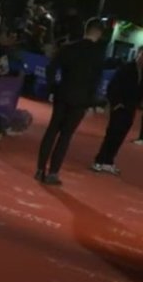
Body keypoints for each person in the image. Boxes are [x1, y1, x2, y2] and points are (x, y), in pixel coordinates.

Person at [36, 18, 105, 185]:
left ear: (86, 29)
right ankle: (53, 172)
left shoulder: (69, 48)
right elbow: (96, 81)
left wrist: (53, 88)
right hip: (80, 100)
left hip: (63, 94)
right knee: (65, 136)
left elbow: (51, 68)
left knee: (52, 131)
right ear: (100, 33)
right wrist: (91, 102)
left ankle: (39, 169)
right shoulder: (98, 54)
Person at [92, 47, 143, 175]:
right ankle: (99, 160)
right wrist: (116, 104)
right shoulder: (126, 68)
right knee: (111, 134)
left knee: (120, 136)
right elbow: (113, 86)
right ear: (138, 54)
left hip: (131, 109)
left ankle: (109, 161)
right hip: (119, 107)